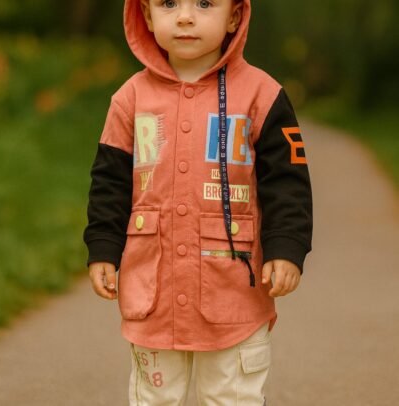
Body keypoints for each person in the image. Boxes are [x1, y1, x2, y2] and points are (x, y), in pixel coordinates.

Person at [83, 0, 313, 404]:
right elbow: (109, 182)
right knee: (153, 399)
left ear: (234, 16)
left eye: (205, 3)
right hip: (154, 293)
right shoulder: (129, 99)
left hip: (234, 293)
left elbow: (287, 182)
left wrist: (287, 248)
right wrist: (103, 247)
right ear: (146, 15)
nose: (185, 16)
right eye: (168, 3)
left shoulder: (262, 94)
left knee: (232, 397)